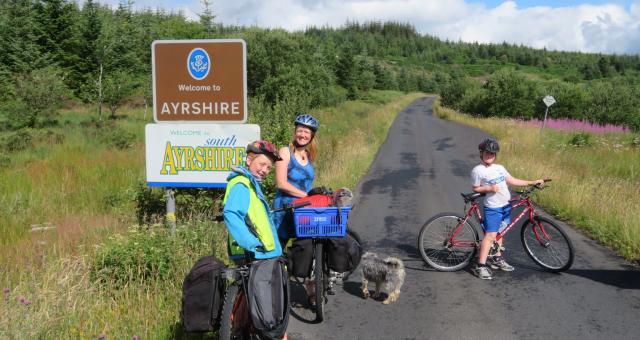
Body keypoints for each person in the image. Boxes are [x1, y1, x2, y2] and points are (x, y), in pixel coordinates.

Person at [470, 138, 545, 280]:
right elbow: (475, 188)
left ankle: (497, 259)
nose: (489, 156)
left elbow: (512, 180)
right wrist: (489, 188)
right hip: (493, 208)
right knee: (490, 236)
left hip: (505, 206)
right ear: (481, 153)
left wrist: (532, 182)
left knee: (500, 232)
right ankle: (480, 266)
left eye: (492, 154)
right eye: (487, 153)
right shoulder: (478, 170)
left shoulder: (500, 168)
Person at [223, 140, 283, 262]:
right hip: (252, 253)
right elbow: (231, 213)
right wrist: (251, 243)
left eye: (268, 168)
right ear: (249, 161)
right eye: (262, 164)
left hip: (261, 253)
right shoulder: (242, 184)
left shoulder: (252, 185)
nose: (265, 170)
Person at [272, 113, 320, 243]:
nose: (302, 135)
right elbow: (281, 183)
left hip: (303, 211)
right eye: (300, 131)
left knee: (304, 249)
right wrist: (306, 196)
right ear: (295, 132)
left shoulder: (309, 155)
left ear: (311, 136)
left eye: (306, 132)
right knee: (279, 250)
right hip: (285, 210)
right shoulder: (285, 152)